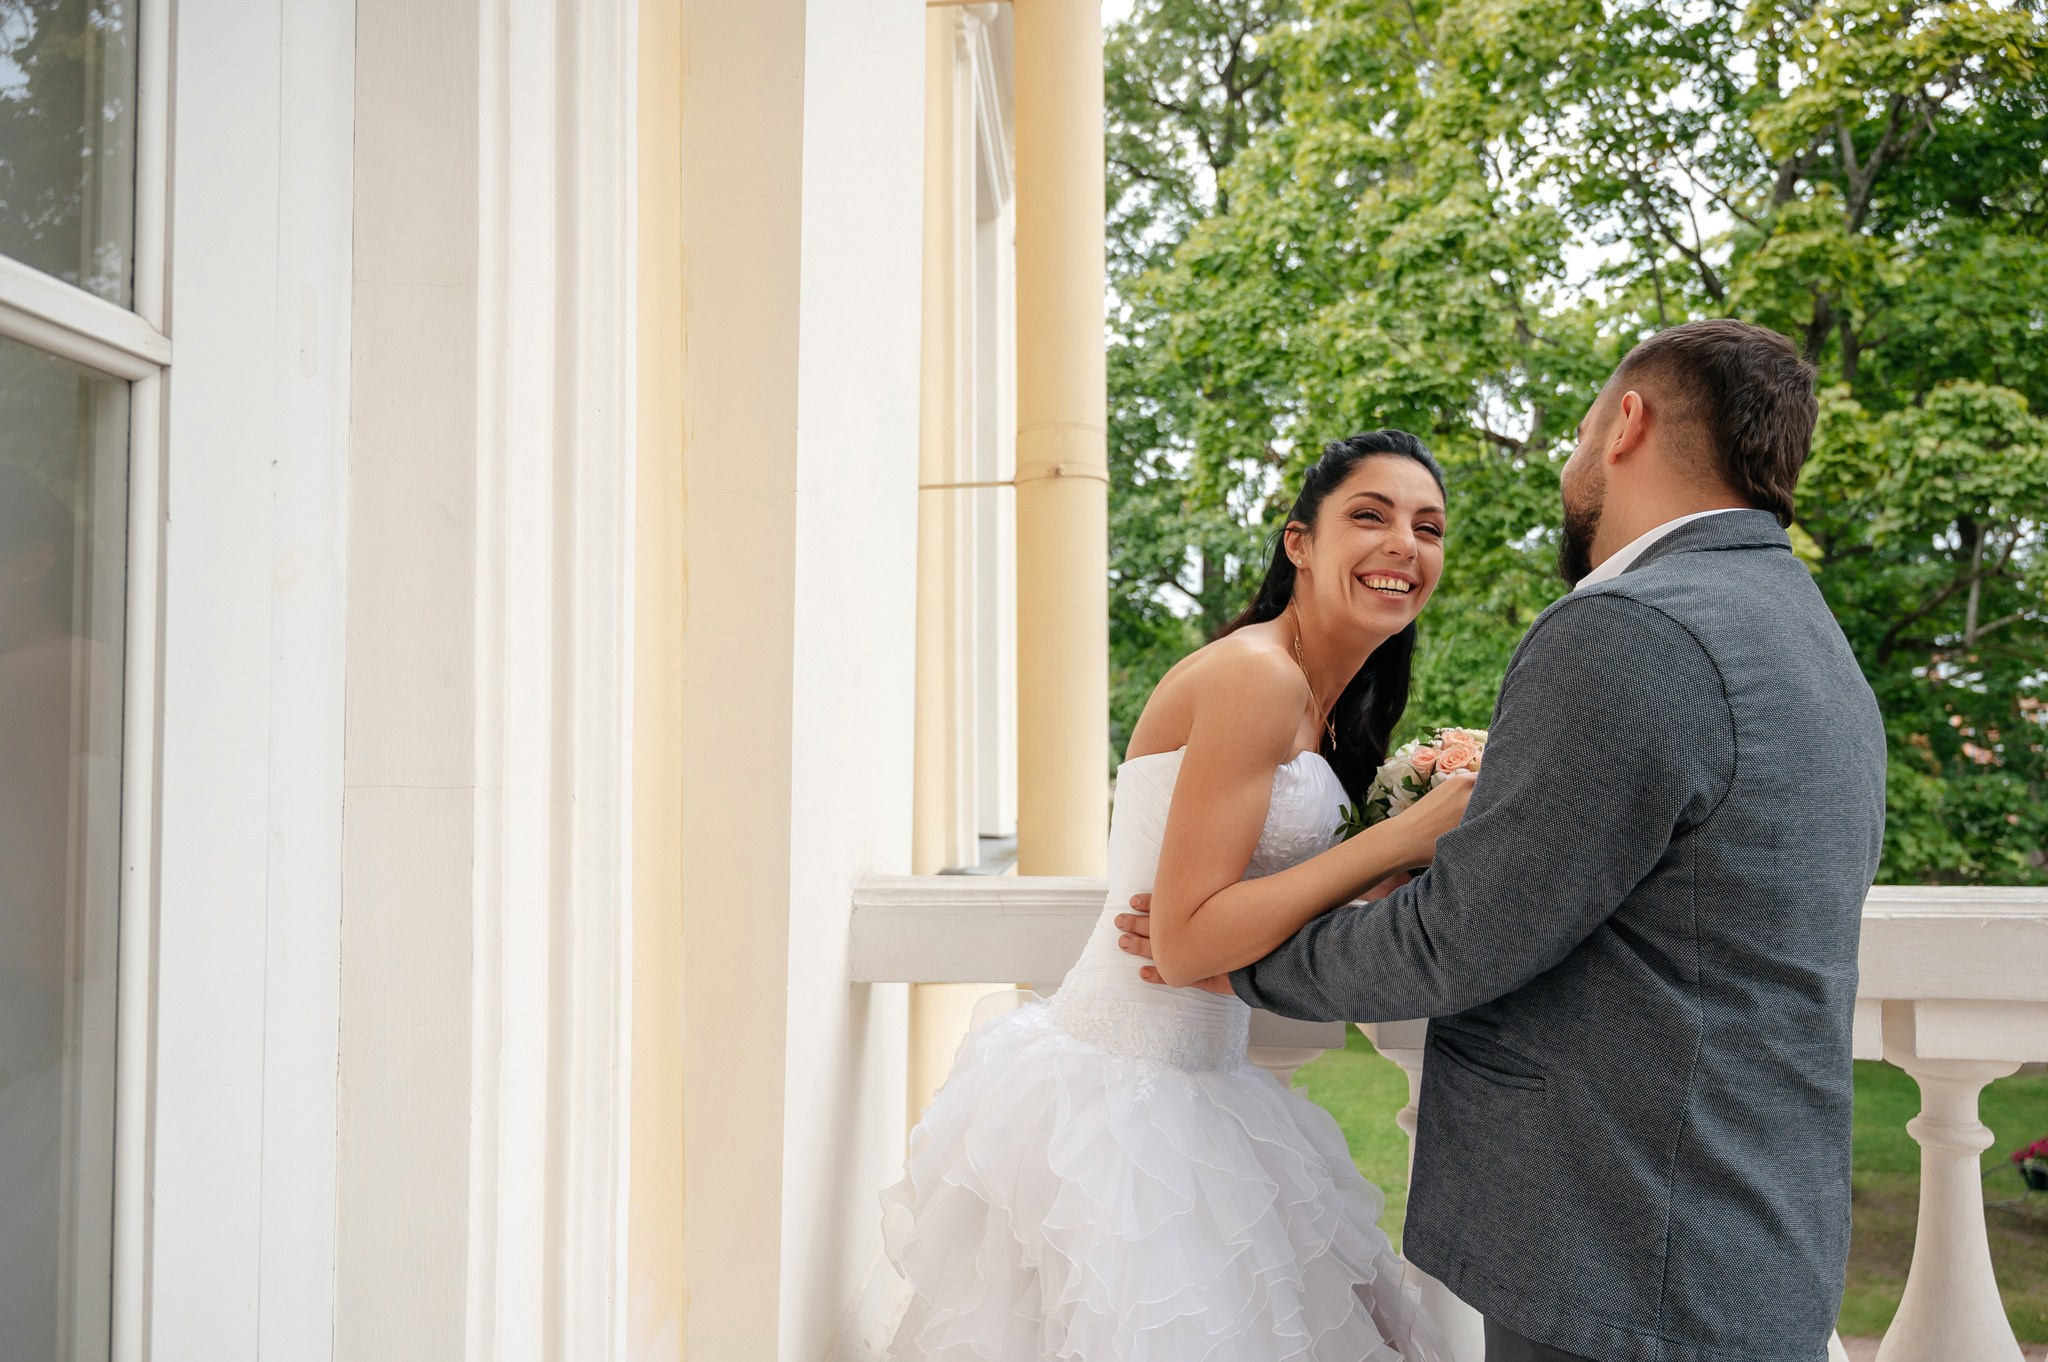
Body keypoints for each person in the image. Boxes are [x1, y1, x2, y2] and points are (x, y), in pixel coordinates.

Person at [1122, 319, 1887, 1362]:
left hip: (1619, 1244)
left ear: (1624, 425)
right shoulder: (1807, 633)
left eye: (1576, 432)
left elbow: (1458, 940)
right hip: (1746, 1223)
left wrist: (1232, 955)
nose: (1570, 466)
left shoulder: (1629, 628)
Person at [881, 430, 1472, 1361]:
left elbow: (1234, 903)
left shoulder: (1319, 700)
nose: (1406, 542)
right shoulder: (1255, 675)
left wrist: (1376, 872)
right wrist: (1402, 834)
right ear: (1300, 544)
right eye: (1371, 515)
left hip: (1208, 1081)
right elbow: (1189, 946)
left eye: (1428, 527)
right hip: (1128, 1101)